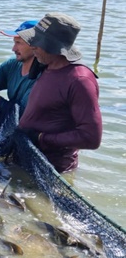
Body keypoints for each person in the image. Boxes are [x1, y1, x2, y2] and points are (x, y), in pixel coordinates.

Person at [16, 13, 102, 173]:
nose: (32, 46)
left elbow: (91, 138)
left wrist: (41, 138)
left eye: (38, 42)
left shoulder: (80, 80)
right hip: (25, 154)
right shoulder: (47, 65)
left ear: (54, 47)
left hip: (50, 168)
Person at [0, 19, 45, 126]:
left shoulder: (44, 76)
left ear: (35, 46)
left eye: (19, 43)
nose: (13, 49)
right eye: (14, 42)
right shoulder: (12, 64)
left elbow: (22, 113)